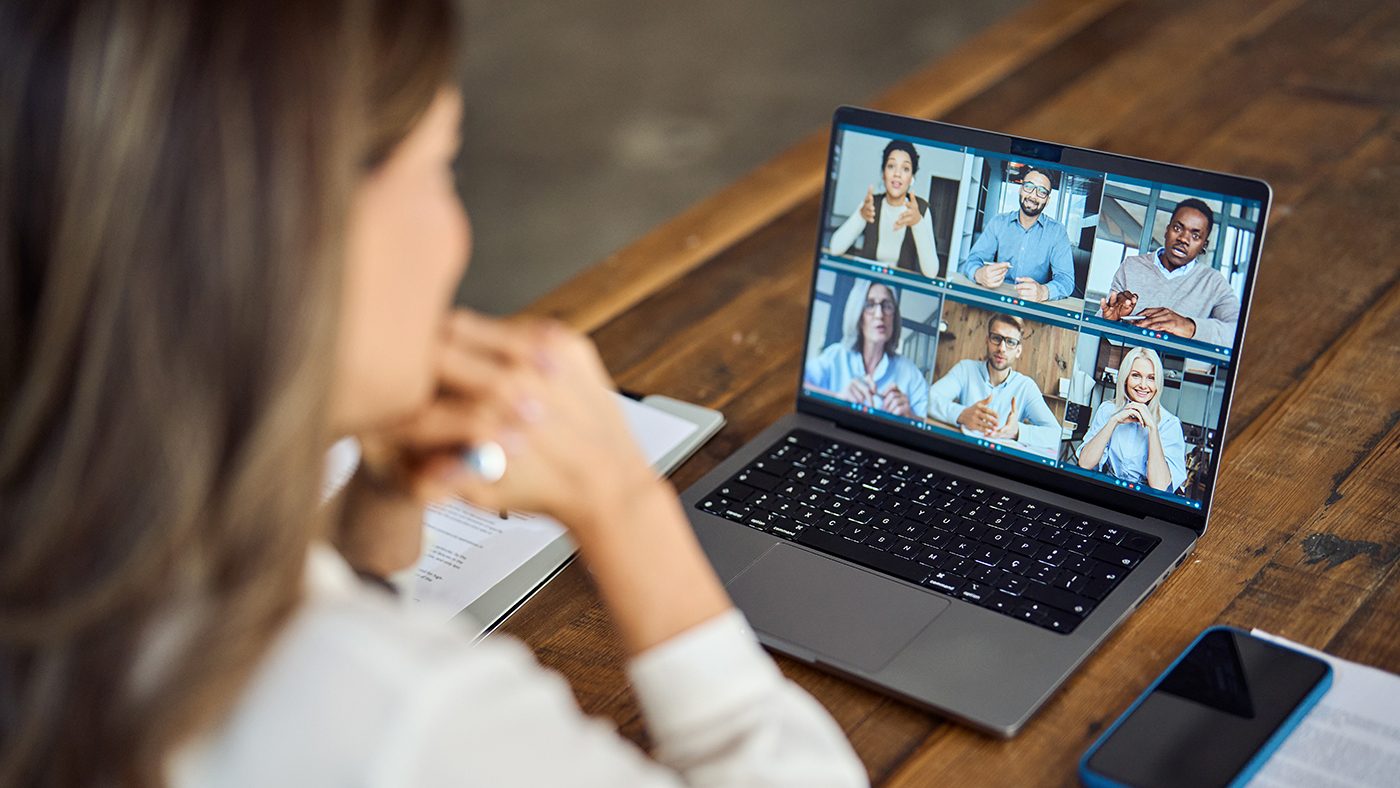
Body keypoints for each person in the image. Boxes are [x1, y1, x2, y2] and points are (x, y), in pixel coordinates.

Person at [0, 3, 868, 786]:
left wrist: (374, 521)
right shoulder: (408, 718)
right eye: (440, 167)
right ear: (299, 235)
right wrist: (625, 505)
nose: (459, 235)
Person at [1098, 198, 1241, 346]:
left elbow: (1237, 332)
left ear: (1204, 245)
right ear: (1167, 230)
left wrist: (1188, 326)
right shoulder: (1132, 265)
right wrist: (1111, 319)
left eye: (1195, 236)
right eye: (1178, 228)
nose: (1184, 239)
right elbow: (1103, 319)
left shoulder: (1214, 282)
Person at [925, 314, 1060, 454]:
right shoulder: (965, 369)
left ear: (1018, 351)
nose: (1002, 348)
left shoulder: (1026, 387)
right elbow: (928, 398)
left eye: (1011, 342)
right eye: (996, 338)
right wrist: (961, 414)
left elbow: (1056, 436)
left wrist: (1018, 431)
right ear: (987, 341)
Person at [804, 280, 929, 419]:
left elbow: (929, 424)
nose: (880, 314)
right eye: (869, 305)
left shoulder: (909, 371)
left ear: (894, 317)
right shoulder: (836, 355)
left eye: (887, 306)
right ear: (858, 316)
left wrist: (909, 417)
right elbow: (801, 384)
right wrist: (838, 398)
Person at [1077, 347, 1188, 492]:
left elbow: (1160, 485)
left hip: (1146, 500)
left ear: (1158, 383)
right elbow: (1085, 463)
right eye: (1136, 375)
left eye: (1151, 378)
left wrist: (1153, 429)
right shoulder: (1107, 410)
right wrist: (1113, 421)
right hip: (1108, 490)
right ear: (1125, 378)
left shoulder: (1169, 424)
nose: (1143, 385)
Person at [958, 168, 1076, 302]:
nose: (1033, 195)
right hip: (997, 298)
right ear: (1020, 189)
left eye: (1042, 191)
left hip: (1033, 304)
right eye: (1029, 186)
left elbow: (1066, 280)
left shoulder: (1057, 232)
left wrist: (1043, 292)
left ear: (1047, 200)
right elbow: (973, 259)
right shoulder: (998, 222)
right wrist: (979, 274)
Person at [828, 140, 941, 278]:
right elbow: (834, 249)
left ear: (912, 178)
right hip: (868, 284)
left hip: (901, 289)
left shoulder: (921, 209)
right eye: (891, 166)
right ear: (883, 173)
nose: (897, 174)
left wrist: (917, 223)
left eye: (905, 168)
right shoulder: (870, 203)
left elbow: (931, 272)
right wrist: (860, 216)